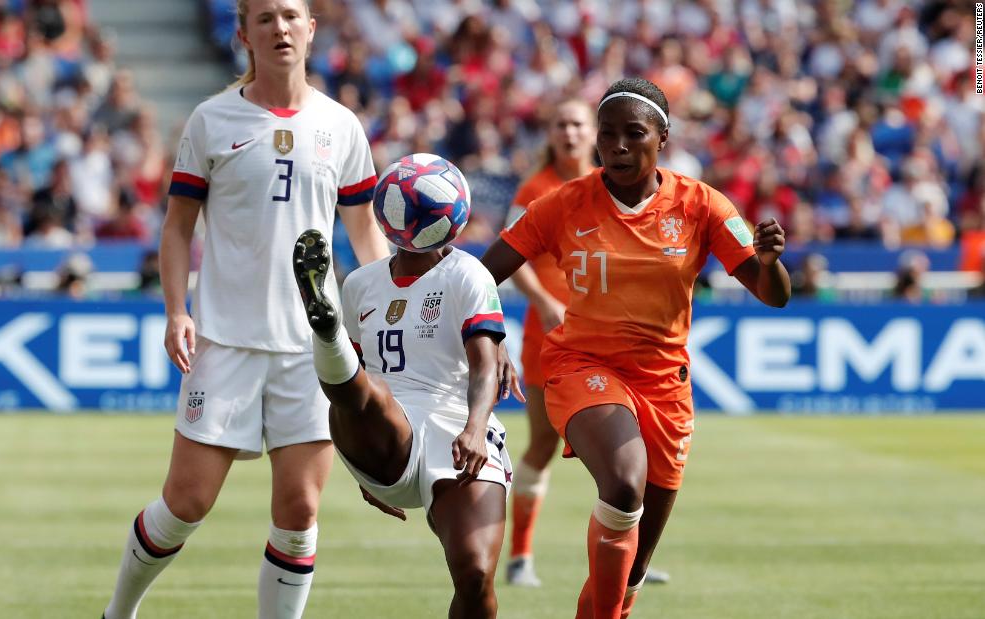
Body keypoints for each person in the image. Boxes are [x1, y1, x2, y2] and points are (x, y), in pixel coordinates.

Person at [100, 1, 388, 618]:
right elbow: (177, 229)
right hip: (225, 342)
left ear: (310, 29)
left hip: (313, 351)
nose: (279, 28)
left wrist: (386, 312)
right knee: (186, 504)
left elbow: (365, 237)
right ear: (243, 34)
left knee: (299, 512)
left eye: (290, 16)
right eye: (264, 19)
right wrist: (177, 310)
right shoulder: (211, 120)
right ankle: (118, 612)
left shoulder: (342, 126)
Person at [481, 77, 790, 619]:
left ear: (662, 138)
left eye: (633, 134)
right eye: (608, 136)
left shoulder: (702, 205)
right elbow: (486, 273)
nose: (618, 146)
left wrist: (768, 263)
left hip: (665, 383)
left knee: (633, 567)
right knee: (624, 484)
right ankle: (528, 558)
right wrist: (489, 337)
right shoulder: (560, 202)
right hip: (582, 365)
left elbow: (773, 296)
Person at [291, 218, 512, 619]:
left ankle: (328, 334)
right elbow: (350, 390)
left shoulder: (468, 273)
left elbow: (485, 367)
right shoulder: (360, 283)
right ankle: (326, 330)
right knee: (369, 390)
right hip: (387, 423)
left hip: (456, 426)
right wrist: (362, 459)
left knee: (475, 574)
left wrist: (476, 429)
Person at [504, 96, 671, 589]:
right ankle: (520, 557)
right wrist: (542, 301)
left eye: (578, 124)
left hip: (620, 342)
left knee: (635, 454)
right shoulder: (537, 189)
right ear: (552, 134)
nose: (570, 133)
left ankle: (630, 560)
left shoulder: (622, 187)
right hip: (555, 337)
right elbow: (512, 256)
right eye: (562, 125)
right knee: (542, 444)